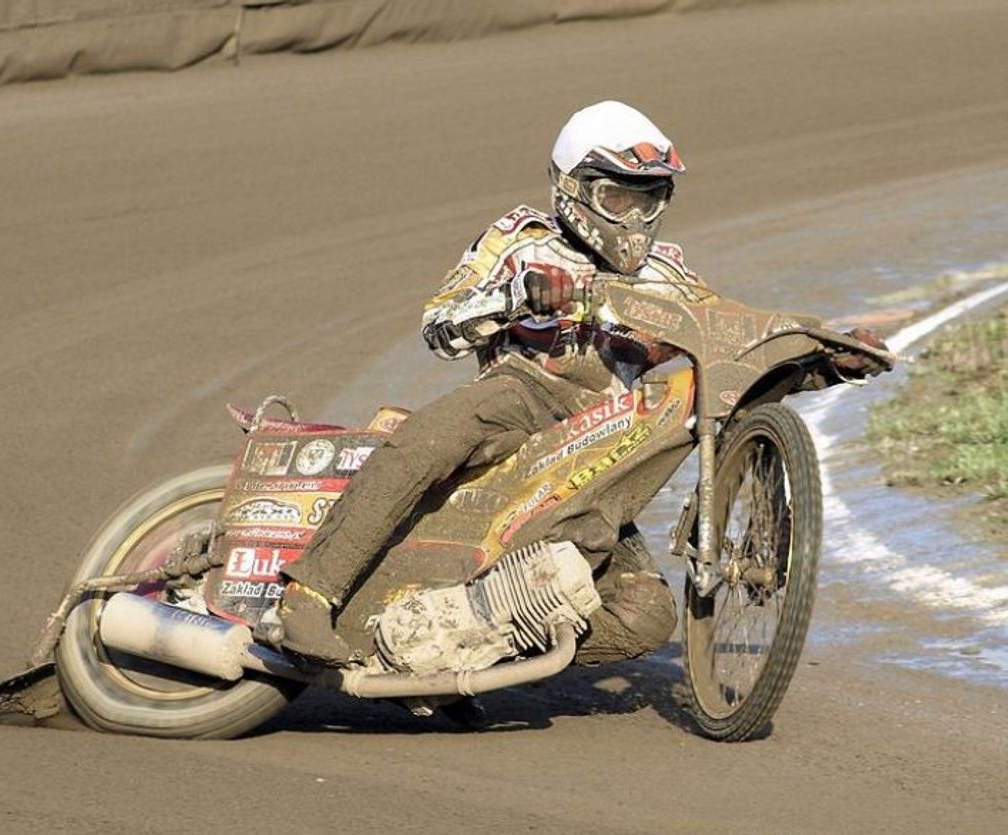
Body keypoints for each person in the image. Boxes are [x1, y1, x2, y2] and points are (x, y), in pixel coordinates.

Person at [275, 100, 881, 668]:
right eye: (619, 198)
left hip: (607, 443)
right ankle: (309, 596)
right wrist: (520, 296)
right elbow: (440, 327)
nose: (636, 218)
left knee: (647, 616)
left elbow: (732, 353)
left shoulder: (667, 273)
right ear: (574, 189)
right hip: (521, 395)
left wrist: (828, 360)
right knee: (430, 437)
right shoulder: (519, 238)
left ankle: (459, 647)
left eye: (651, 200)